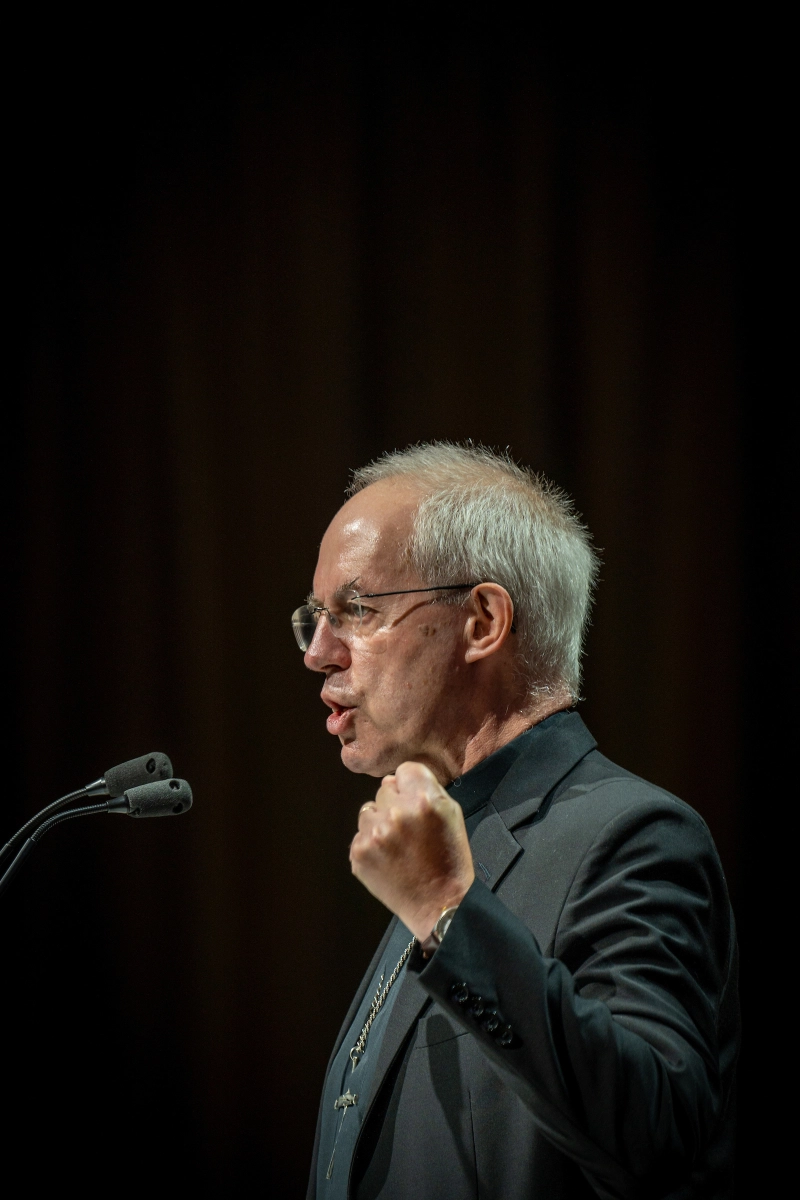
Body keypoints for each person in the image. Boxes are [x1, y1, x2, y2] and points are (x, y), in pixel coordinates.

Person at [295, 443, 738, 1200]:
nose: (320, 654)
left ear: (482, 621)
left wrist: (447, 911)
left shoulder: (631, 836)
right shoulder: (447, 836)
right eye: (315, 618)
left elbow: (659, 1136)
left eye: (358, 610)